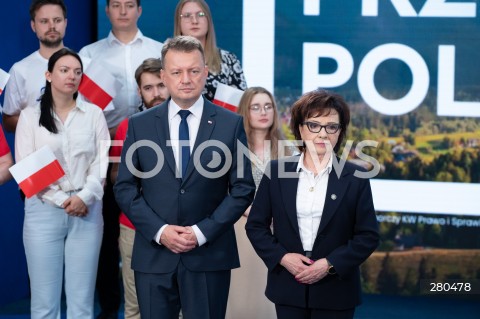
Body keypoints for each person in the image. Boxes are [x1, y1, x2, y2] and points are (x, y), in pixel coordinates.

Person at [113, 35, 255, 319]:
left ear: (205, 72)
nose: (186, 78)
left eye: (193, 70)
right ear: (164, 76)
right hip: (154, 256)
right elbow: (125, 188)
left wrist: (201, 232)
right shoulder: (139, 126)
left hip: (209, 255)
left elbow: (242, 189)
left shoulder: (230, 124)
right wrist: (160, 231)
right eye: (177, 72)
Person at [245, 89, 380, 319]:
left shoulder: (356, 176)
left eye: (331, 126)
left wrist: (329, 264)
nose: (322, 134)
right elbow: (256, 226)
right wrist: (283, 258)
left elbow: (368, 236)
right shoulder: (277, 172)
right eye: (314, 125)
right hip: (288, 286)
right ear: (300, 128)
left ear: (340, 132)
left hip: (336, 291)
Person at [79, 1, 163, 317]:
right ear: (107, 10)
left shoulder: (160, 50)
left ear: (139, 10)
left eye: (130, 5)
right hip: (105, 154)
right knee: (109, 240)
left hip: (156, 155)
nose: (123, 10)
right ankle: (111, 306)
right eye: (116, 5)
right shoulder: (89, 55)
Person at [14, 48, 110, 319]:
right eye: (65, 70)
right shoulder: (30, 117)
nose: (72, 76)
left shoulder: (94, 114)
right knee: (44, 305)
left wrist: (84, 198)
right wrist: (62, 200)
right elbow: (26, 166)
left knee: (82, 304)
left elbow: (101, 162)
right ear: (48, 74)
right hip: (43, 210)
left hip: (87, 210)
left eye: (77, 72)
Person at [226, 87, 294, 318]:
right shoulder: (230, 149)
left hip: (277, 232)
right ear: (245, 111)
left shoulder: (289, 151)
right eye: (255, 107)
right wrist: (249, 210)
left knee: (268, 301)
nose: (263, 112)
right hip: (237, 228)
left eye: (268, 106)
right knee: (239, 297)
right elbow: (219, 190)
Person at [110, 57, 169, 319]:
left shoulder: (192, 124)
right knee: (135, 306)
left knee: (179, 305)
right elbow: (115, 177)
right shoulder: (127, 126)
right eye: (148, 88)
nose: (156, 94)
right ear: (139, 91)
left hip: (181, 227)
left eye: (160, 85)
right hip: (135, 227)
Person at [2, 0, 69, 132]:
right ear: (33, 26)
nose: (52, 26)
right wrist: (41, 125)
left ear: (65, 23)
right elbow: (8, 120)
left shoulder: (86, 65)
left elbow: (100, 119)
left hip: (79, 151)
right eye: (44, 21)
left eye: (57, 20)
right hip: (36, 151)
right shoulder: (19, 70)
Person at [174, 0, 247, 101]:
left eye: (200, 14)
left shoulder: (229, 60)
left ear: (208, 20)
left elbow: (243, 104)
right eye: (187, 15)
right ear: (179, 22)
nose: (194, 21)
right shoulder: (167, 61)